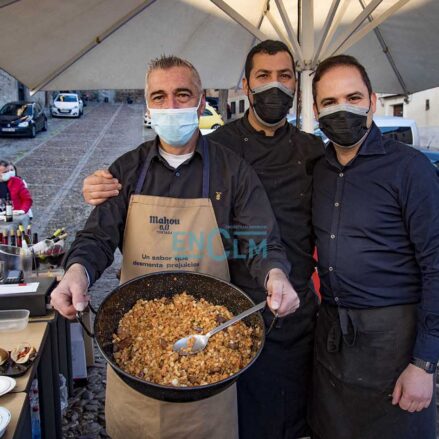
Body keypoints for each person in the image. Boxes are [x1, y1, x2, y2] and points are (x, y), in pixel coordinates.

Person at [82, 40, 324, 439]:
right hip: (134, 344)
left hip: (210, 346)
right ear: (147, 106)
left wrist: (276, 275)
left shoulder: (232, 169)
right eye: (159, 97)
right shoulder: (127, 170)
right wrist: (77, 272)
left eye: (183, 95)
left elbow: (258, 238)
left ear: (200, 103)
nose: (172, 106)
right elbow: (96, 236)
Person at [309, 54, 439, 439]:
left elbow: (436, 264)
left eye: (353, 97)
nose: (342, 109)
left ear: (373, 100)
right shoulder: (319, 170)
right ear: (315, 110)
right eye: (329, 103)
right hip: (332, 339)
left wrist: (425, 364)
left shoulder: (410, 169)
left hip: (394, 345)